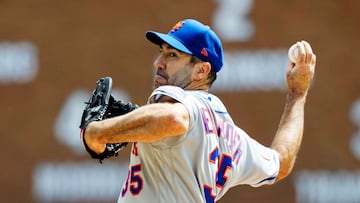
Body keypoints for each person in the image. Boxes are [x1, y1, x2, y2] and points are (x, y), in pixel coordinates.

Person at [84, 19, 316, 203]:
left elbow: (173, 119)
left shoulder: (184, 100)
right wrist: (297, 94)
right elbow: (282, 162)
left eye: (172, 55)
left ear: (201, 71)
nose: (159, 62)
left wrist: (97, 132)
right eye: (162, 51)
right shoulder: (231, 136)